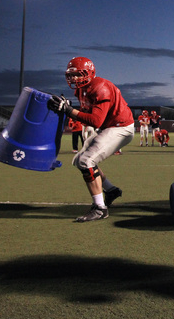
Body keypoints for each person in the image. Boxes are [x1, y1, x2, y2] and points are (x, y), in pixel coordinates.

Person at [47, 57, 134, 222]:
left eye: (78, 74)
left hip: (121, 127)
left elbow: (96, 121)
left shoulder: (100, 87)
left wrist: (68, 110)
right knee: (78, 160)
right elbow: (86, 113)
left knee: (86, 161)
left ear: (89, 73)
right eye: (70, 75)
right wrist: (68, 108)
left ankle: (100, 208)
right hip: (109, 127)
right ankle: (111, 190)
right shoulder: (81, 89)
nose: (73, 79)